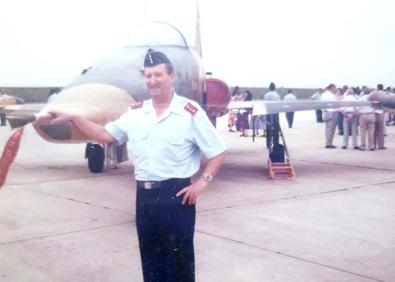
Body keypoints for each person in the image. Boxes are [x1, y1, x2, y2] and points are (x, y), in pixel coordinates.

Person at [50, 49, 227, 282]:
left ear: (171, 76)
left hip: (177, 197)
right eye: (148, 75)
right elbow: (105, 135)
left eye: (158, 75)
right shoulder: (136, 113)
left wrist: (201, 184)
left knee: (180, 265)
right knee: (151, 265)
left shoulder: (189, 112)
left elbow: (217, 151)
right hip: (144, 199)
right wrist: (76, 118)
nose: (152, 81)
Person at [264, 82, 281, 149]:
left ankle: (268, 144)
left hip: (268, 113)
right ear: (274, 88)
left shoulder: (266, 95)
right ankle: (275, 143)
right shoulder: (276, 95)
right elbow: (278, 104)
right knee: (276, 129)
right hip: (275, 113)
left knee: (268, 128)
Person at [321, 83, 338, 148]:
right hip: (331, 112)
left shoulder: (324, 94)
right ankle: (329, 143)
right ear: (332, 88)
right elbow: (335, 103)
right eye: (335, 88)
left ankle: (328, 142)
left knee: (327, 129)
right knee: (331, 129)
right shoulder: (330, 95)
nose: (335, 90)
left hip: (325, 112)